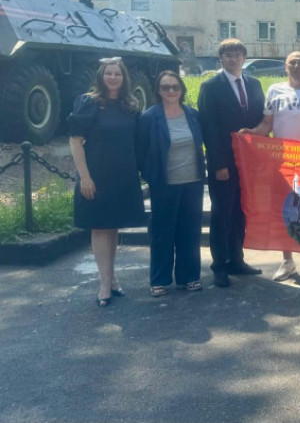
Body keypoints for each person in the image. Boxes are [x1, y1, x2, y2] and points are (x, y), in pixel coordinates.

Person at [241, 51, 300, 283]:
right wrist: (251, 134)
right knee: (286, 210)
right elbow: (266, 124)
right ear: (286, 67)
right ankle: (288, 260)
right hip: (282, 162)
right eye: (293, 62)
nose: (297, 66)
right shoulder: (274, 91)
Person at [68, 57, 146, 307]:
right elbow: (75, 141)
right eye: (109, 73)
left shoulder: (130, 105)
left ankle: (111, 279)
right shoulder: (89, 102)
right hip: (97, 175)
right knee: (100, 227)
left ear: (124, 78)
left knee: (113, 229)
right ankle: (104, 283)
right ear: (101, 76)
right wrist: (85, 176)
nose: (113, 78)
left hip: (122, 176)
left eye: (118, 74)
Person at [197, 39, 266, 288]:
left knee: (241, 212)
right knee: (222, 213)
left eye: (237, 53)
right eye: (227, 54)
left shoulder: (255, 84)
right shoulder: (210, 86)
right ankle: (220, 265)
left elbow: (261, 121)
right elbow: (209, 128)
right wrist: (218, 164)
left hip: (249, 163)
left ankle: (237, 259)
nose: (233, 58)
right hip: (224, 163)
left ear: (244, 57)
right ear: (221, 58)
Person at [137, 71, 206, 296]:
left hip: (192, 182)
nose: (170, 91)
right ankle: (159, 279)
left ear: (182, 89)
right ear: (158, 90)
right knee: (162, 232)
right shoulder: (149, 117)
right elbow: (141, 151)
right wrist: (152, 177)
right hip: (164, 183)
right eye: (165, 87)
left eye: (175, 87)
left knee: (190, 231)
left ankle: (189, 277)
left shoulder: (192, 114)